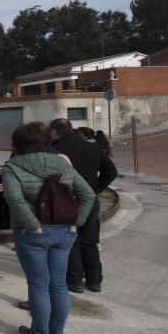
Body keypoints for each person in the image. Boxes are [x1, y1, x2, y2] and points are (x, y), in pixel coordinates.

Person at [4, 122, 95, 334]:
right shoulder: (62, 163)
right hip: (63, 231)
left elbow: (15, 199)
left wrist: (32, 225)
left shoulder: (13, 167)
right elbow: (88, 194)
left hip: (32, 234)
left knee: (38, 284)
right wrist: (77, 222)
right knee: (58, 284)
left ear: (18, 144)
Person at [50, 118, 118, 293]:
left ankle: (74, 280)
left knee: (70, 240)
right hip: (90, 200)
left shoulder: (55, 151)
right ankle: (95, 280)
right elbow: (111, 171)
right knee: (89, 241)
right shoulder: (93, 147)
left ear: (54, 132)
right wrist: (95, 189)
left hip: (66, 201)